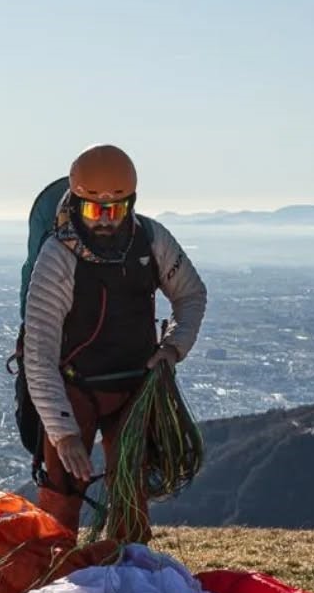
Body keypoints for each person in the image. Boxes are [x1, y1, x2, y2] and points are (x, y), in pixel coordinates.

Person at [22, 144, 207, 541]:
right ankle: (49, 576)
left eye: (116, 209)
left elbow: (190, 295)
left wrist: (173, 348)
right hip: (75, 388)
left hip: (134, 385)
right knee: (62, 493)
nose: (105, 221)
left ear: (131, 203)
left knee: (131, 489)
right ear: (75, 203)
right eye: (94, 210)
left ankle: (127, 569)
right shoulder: (57, 257)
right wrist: (64, 434)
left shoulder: (152, 239)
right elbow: (38, 354)